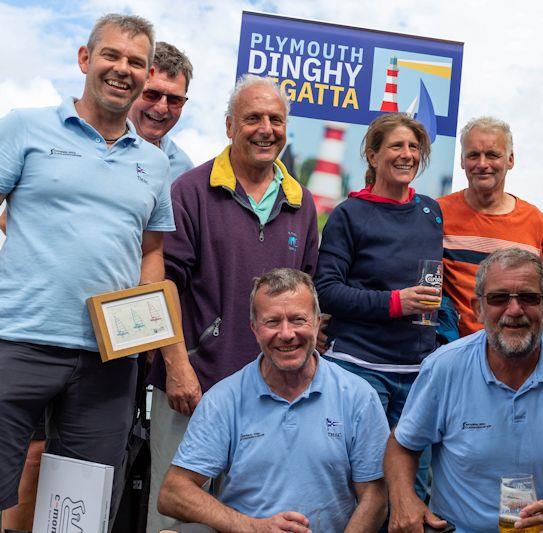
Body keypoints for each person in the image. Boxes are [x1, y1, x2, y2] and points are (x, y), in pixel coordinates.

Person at [0, 12, 173, 517]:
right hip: (18, 341)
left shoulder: (155, 162)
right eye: (111, 55)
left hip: (109, 359)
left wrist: (144, 336)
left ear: (146, 75)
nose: (122, 69)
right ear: (85, 59)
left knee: (78, 512)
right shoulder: (25, 127)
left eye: (136, 62)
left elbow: (151, 252)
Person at [145, 74, 318, 532]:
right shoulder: (190, 189)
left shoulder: (301, 204)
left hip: (269, 395)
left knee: (254, 516)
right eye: (253, 118)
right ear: (228, 126)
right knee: (179, 517)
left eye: (276, 120)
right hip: (191, 389)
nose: (266, 129)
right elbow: (164, 285)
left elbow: (310, 301)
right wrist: (178, 367)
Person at [386, 248, 543, 533]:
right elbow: (401, 445)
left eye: (528, 298)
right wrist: (404, 500)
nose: (514, 311)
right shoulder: (444, 367)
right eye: (499, 298)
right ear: (477, 308)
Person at [157, 269, 389, 532]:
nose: (286, 333)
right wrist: (253, 527)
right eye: (273, 322)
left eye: (297, 319)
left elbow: (375, 497)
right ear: (254, 329)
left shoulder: (357, 396)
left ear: (316, 322)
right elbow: (173, 493)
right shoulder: (225, 399)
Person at [314, 113, 443, 498]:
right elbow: (327, 290)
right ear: (372, 155)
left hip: (418, 373)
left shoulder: (430, 212)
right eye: (396, 146)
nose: (407, 155)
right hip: (359, 368)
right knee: (359, 487)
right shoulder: (348, 214)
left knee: (413, 493)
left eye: (414, 147)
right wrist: (395, 303)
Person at [438, 116, 543, 337]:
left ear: (510, 160)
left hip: (515, 353)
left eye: (492, 155)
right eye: (473, 155)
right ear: (462, 161)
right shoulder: (437, 214)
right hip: (453, 352)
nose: (482, 164)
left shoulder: (536, 222)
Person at [128, 40, 194, 181]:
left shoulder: (184, 172)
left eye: (174, 100)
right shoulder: (91, 142)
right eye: (152, 95)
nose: (161, 108)